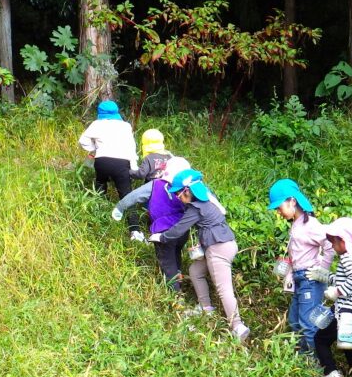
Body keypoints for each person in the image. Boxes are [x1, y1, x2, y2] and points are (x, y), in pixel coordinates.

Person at [149, 169, 249, 342]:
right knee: (195, 270)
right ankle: (206, 308)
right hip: (221, 245)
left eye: (179, 193)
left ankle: (238, 327)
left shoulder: (196, 208)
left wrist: (160, 236)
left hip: (218, 249)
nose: (178, 197)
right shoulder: (207, 201)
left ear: (188, 191)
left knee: (223, 288)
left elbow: (178, 230)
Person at [267, 179, 334, 355]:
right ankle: (303, 358)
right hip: (299, 278)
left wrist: (322, 271)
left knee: (308, 324)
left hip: (310, 279)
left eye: (279, 207)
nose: (278, 212)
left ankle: (314, 366)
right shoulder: (296, 225)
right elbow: (295, 255)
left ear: (292, 201)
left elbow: (329, 246)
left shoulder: (311, 224)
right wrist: (289, 277)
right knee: (294, 321)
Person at [113, 157, 191, 291]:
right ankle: (179, 277)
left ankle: (176, 295)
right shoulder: (189, 188)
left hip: (163, 230)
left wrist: (119, 207)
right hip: (183, 229)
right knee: (176, 252)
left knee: (168, 262)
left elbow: (134, 196)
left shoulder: (157, 184)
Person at [314, 217, 352, 377]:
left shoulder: (347, 258)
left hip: (344, 311)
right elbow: (347, 277)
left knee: (320, 339)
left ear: (343, 241)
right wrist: (327, 277)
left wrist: (337, 292)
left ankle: (330, 372)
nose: (332, 246)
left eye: (334, 242)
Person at [79, 101, 142, 241]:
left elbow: (82, 141)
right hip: (122, 163)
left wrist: (94, 149)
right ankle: (135, 231)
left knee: (100, 183)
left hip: (102, 162)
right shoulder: (125, 126)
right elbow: (131, 147)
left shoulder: (96, 124)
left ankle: (98, 216)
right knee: (127, 195)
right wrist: (134, 167)